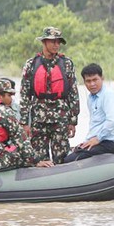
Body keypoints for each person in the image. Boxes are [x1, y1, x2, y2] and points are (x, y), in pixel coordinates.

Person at [20, 26, 80, 164]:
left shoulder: (66, 64)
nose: (56, 45)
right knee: (40, 159)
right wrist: (24, 123)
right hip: (38, 119)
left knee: (62, 158)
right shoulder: (31, 64)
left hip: (61, 118)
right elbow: (25, 95)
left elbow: (73, 93)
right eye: (53, 41)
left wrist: (73, 120)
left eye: (58, 42)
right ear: (44, 42)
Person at [64, 63, 114, 163]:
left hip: (111, 142)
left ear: (102, 78)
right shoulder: (90, 98)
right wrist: (87, 141)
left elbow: (112, 121)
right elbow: (94, 124)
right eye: (88, 81)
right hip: (99, 141)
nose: (92, 84)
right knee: (68, 156)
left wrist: (97, 139)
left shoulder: (108, 95)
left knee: (72, 160)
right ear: (84, 82)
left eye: (95, 80)